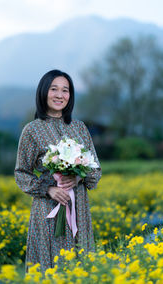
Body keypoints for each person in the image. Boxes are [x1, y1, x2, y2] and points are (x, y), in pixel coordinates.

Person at [14, 69, 102, 275]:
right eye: (54, 89)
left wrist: (78, 176)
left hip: (78, 206)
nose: (60, 95)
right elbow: (21, 173)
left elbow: (96, 170)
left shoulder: (80, 128)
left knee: (80, 267)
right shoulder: (32, 130)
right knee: (49, 268)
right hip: (47, 208)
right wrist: (49, 189)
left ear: (70, 96)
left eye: (65, 90)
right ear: (44, 92)